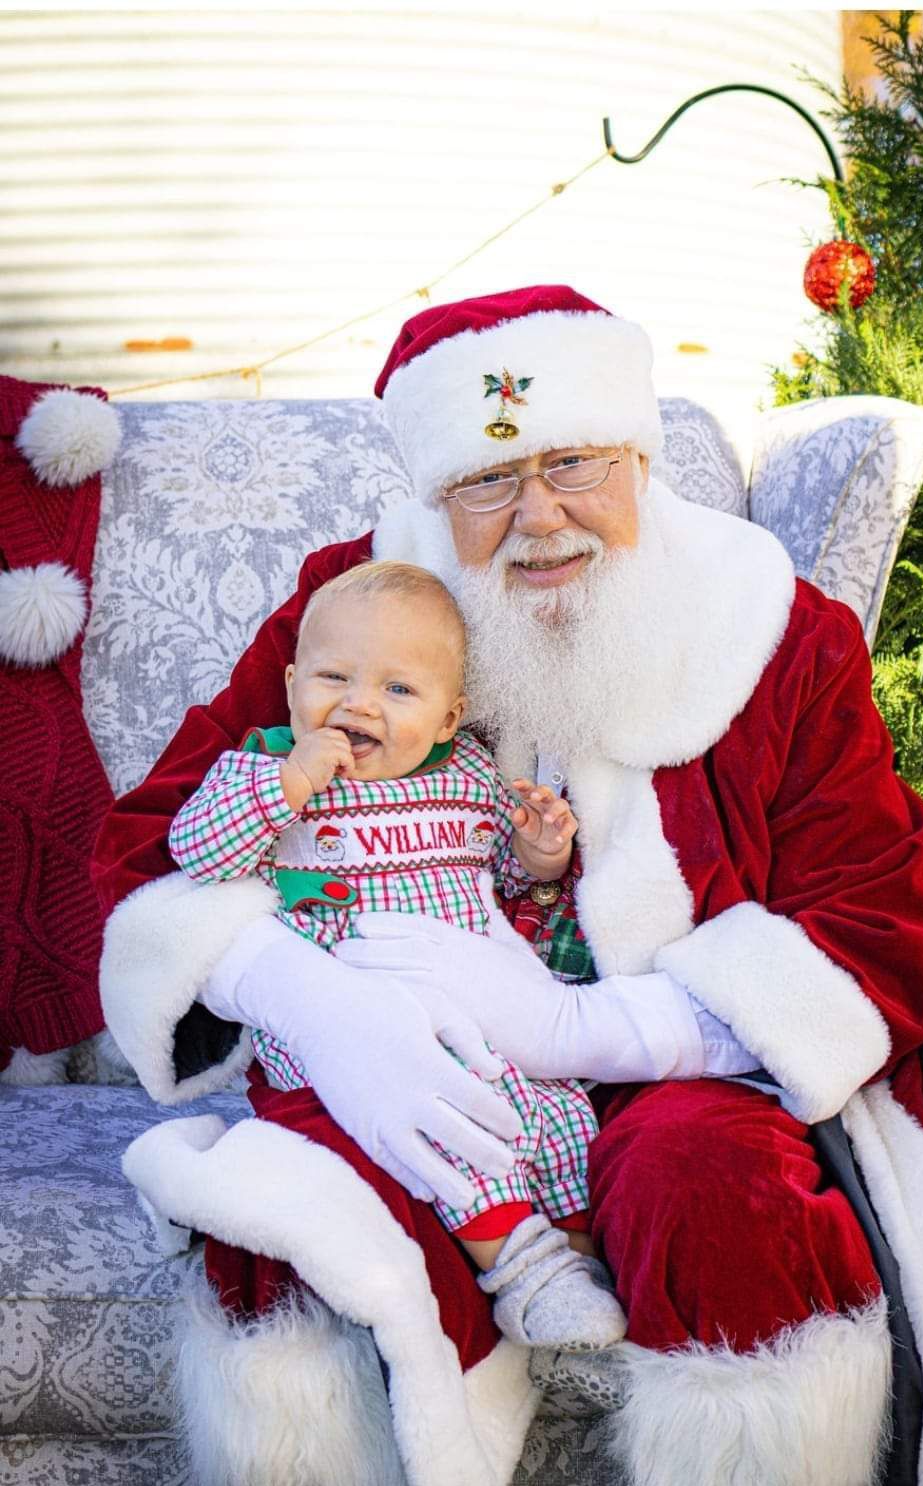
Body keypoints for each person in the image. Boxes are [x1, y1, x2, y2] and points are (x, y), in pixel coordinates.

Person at [99, 284, 923, 1486]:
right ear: (439, 497)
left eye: (569, 463)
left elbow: (877, 914)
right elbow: (157, 841)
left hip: (676, 1072)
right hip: (404, 1053)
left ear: (636, 460)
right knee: (294, 1225)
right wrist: (307, 1002)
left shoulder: (774, 629)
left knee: (719, 1191)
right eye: (489, 479)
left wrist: (597, 1035)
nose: (540, 514)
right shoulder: (354, 611)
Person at [166, 557, 626, 1351]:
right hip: (347, 1033)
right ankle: (520, 1269)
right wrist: (287, 784)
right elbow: (196, 853)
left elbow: (508, 876)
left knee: (558, 1120)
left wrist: (541, 850)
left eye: (397, 690)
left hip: (477, 1012)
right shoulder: (260, 766)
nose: (356, 704)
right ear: (290, 684)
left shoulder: (471, 776)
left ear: (450, 720)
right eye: (333, 677)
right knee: (442, 1133)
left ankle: (575, 1267)